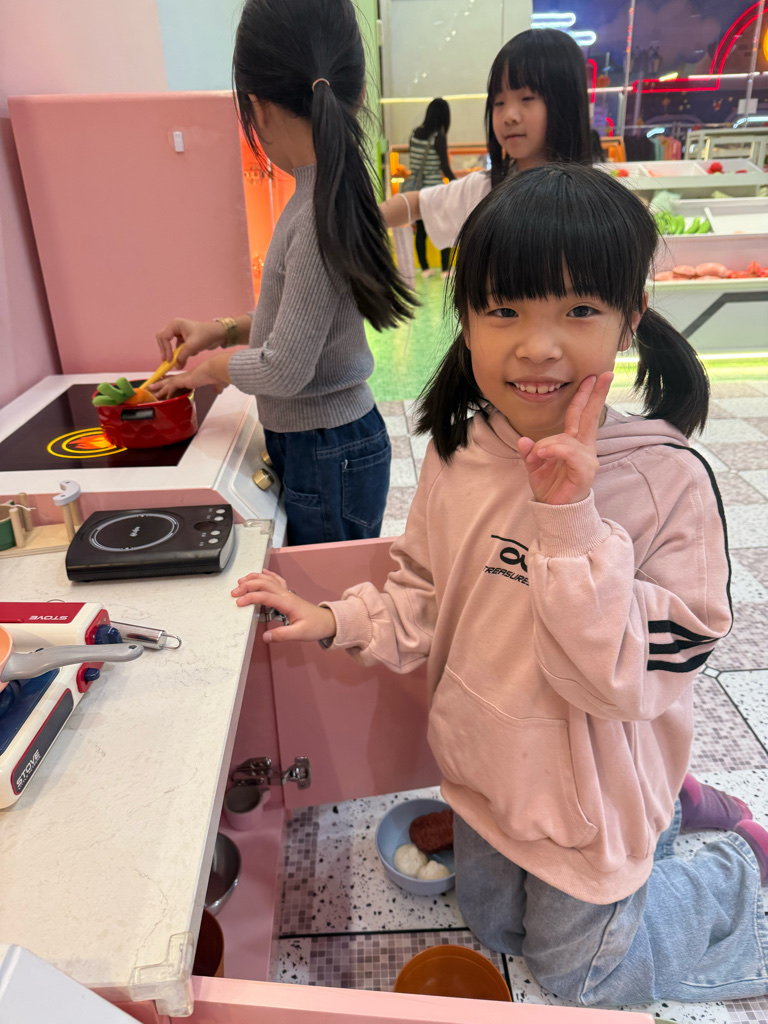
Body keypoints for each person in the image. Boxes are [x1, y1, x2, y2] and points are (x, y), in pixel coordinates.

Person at [230, 164, 768, 1006]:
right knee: (493, 926)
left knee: (581, 976)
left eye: (579, 311)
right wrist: (338, 617)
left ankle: (732, 865)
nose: (538, 345)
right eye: (504, 310)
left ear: (630, 320)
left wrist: (570, 518)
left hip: (591, 800)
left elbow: (630, 678)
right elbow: (425, 591)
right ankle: (668, 814)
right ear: (466, 320)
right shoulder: (459, 453)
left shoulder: (665, 482)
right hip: (484, 772)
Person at [152, 0, 415, 546]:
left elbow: (286, 367)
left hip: (328, 448)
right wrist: (220, 331)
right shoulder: (318, 199)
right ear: (357, 94)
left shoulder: (315, 212)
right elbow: (300, 322)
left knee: (324, 586)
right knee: (325, 581)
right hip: (328, 443)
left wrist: (212, 368)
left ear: (258, 108)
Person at [380, 28, 592, 253]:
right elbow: (416, 203)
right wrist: (361, 222)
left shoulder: (596, 198)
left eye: (527, 98)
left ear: (566, 102)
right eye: (499, 103)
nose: (509, 116)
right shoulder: (486, 189)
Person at [406, 98, 455, 278]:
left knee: (421, 230)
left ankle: (425, 269)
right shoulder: (438, 137)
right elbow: (445, 167)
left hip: (417, 190)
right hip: (435, 191)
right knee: (444, 227)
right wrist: (458, 184)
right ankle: (445, 269)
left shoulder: (414, 133)